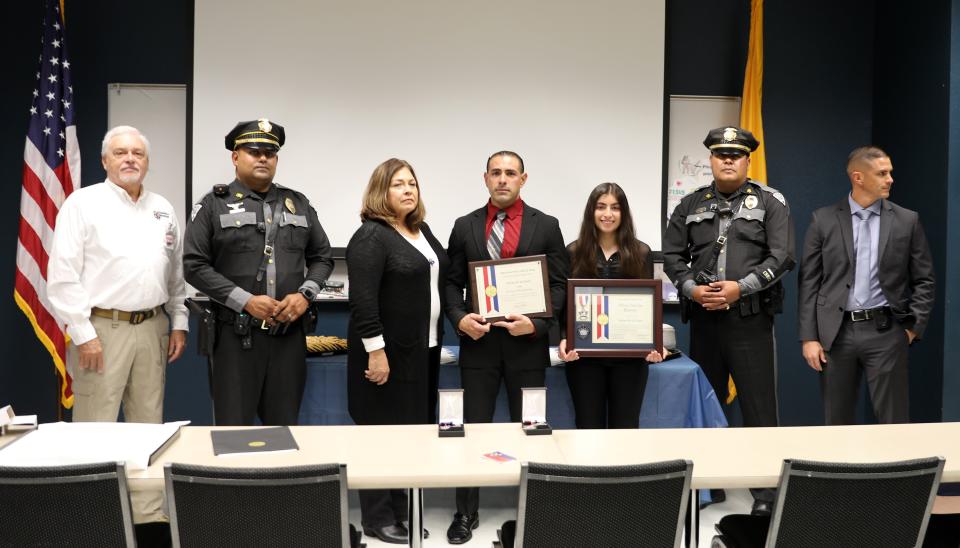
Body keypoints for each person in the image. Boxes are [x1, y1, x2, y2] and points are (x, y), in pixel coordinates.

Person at [46, 125, 189, 539]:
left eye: (138, 153)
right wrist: (82, 332)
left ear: (147, 162)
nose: (130, 159)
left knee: (149, 427)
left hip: (153, 327)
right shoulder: (83, 204)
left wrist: (178, 320)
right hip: (101, 330)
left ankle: (148, 518)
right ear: (105, 160)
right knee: (96, 427)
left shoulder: (162, 207)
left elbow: (174, 272)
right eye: (121, 153)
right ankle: (92, 519)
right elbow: (63, 275)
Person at [662, 126, 795, 515]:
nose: (728, 160)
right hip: (704, 319)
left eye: (736, 154)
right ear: (711, 160)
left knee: (759, 408)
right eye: (721, 154)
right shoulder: (689, 204)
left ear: (747, 159)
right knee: (706, 405)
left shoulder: (770, 202)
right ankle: (710, 485)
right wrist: (691, 289)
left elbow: (782, 256)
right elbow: (672, 257)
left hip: (749, 319)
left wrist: (742, 287)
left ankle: (766, 494)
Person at [444, 150, 568, 544]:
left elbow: (560, 285)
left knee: (532, 431)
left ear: (523, 179)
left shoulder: (546, 225)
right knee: (472, 431)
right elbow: (450, 283)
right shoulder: (464, 226)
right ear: (485, 178)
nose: (502, 179)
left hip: (527, 347)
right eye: (495, 173)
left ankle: (536, 513)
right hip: (478, 346)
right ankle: (465, 512)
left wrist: (537, 324)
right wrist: (460, 318)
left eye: (510, 173)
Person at [183, 119, 333, 426]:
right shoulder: (213, 205)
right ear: (235, 157)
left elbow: (322, 258)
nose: (262, 157)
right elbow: (194, 266)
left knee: (285, 427)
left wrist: (306, 295)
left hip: (288, 337)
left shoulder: (299, 204)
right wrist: (245, 301)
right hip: (235, 337)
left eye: (270, 152)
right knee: (233, 430)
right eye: (253, 151)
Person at [346, 158, 448, 544]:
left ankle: (402, 510)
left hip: (424, 351)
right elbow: (363, 301)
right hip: (386, 355)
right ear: (380, 192)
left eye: (412, 184)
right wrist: (376, 351)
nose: (408, 190)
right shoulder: (372, 236)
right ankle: (377, 517)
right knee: (380, 434)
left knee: (410, 433)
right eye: (397, 185)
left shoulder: (421, 231)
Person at [798, 146, 934, 425]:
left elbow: (924, 279)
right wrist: (809, 337)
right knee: (837, 419)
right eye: (882, 173)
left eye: (890, 173)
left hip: (886, 330)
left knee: (893, 418)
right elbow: (809, 281)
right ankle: (838, 469)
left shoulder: (907, 220)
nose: (890, 179)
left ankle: (896, 469)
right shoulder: (822, 219)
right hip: (835, 334)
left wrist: (912, 328)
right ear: (858, 177)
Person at [557, 183, 663, 429]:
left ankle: (622, 470)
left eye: (615, 208)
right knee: (587, 427)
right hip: (584, 358)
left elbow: (648, 306)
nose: (608, 214)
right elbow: (564, 306)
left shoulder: (641, 252)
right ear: (591, 212)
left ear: (624, 213)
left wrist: (652, 343)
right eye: (601, 207)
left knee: (625, 428)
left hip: (629, 360)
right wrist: (564, 338)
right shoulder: (573, 252)